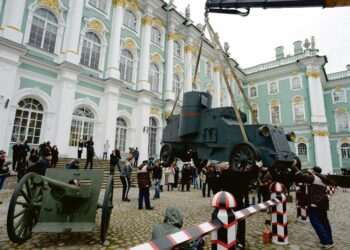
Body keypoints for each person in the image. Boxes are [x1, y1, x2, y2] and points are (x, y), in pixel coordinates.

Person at [219, 160, 262, 249]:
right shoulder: (233, 172)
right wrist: (257, 166)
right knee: (241, 222)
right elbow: (248, 176)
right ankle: (240, 241)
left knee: (227, 220)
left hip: (228, 201)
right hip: (237, 200)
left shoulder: (224, 173)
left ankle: (226, 239)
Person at [291, 163, 335, 249]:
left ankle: (326, 241)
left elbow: (300, 175)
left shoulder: (313, 177)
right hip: (323, 203)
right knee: (324, 222)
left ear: (313, 171)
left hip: (314, 203)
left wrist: (293, 166)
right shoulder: (323, 178)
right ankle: (329, 240)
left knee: (315, 222)